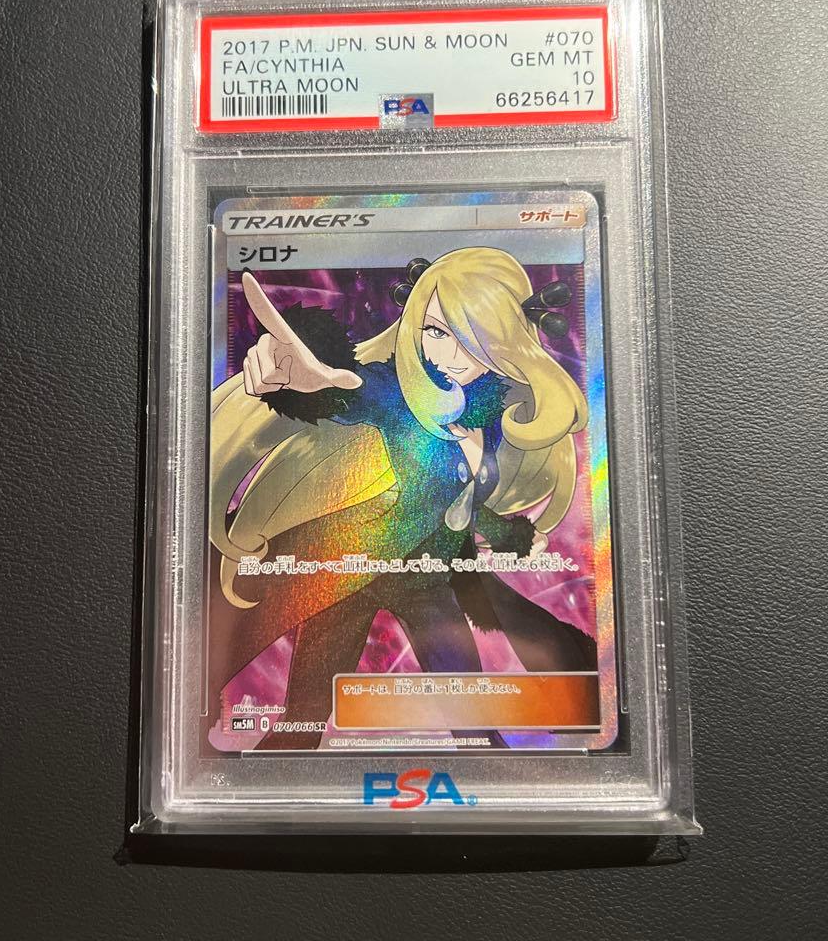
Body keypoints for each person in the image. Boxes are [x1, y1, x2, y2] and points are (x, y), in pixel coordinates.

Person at [209, 247, 597, 748]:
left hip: (424, 578)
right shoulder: (399, 393)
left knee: (471, 715)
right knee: (304, 713)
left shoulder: (488, 415)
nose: (448, 356)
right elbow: (356, 391)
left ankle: (507, 772)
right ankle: (254, 778)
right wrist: (312, 381)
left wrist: (513, 534)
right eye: (436, 331)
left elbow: (459, 501)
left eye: (474, 340)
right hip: (350, 570)